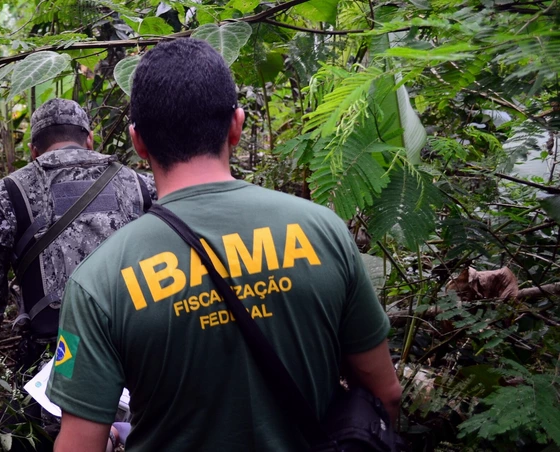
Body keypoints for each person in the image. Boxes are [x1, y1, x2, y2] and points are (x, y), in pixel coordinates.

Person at [46, 39, 403, 451]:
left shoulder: (98, 280)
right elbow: (386, 395)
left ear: (138, 142)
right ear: (236, 124)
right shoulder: (323, 230)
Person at [0, 98, 156, 451]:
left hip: (55, 359)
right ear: (89, 140)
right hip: (143, 352)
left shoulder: (10, 193)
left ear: (34, 150)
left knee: (18, 432)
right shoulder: (140, 185)